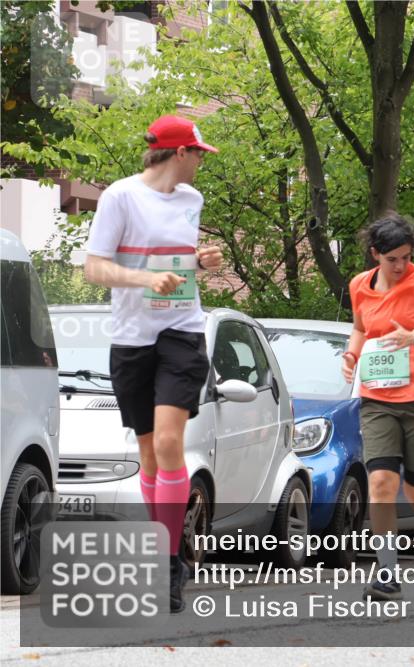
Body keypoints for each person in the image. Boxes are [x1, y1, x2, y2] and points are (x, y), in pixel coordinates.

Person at [83, 115, 222, 613]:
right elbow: (94, 267)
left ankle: (166, 564)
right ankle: (166, 546)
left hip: (182, 330)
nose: (202, 160)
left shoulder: (192, 201)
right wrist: (144, 281)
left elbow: (175, 264)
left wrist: (198, 263)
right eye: (199, 152)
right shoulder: (120, 196)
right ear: (179, 153)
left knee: (169, 442)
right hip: (132, 337)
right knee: (148, 452)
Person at [340, 212, 414, 602]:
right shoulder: (360, 285)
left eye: (407, 257)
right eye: (393, 259)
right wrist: (351, 354)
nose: (401, 266)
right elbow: (361, 327)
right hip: (378, 398)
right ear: (376, 254)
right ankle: (387, 572)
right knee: (381, 483)